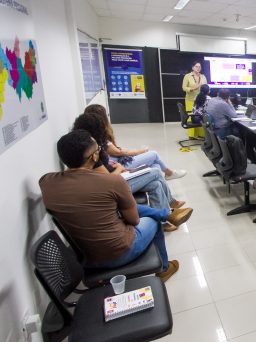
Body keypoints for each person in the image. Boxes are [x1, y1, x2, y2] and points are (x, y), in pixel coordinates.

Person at [39, 130, 180, 282]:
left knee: (114, 207)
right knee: (153, 221)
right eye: (98, 150)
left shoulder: (46, 182)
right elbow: (134, 221)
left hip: (84, 258)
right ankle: (164, 268)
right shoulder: (111, 182)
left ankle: (166, 213)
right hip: (118, 254)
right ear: (94, 156)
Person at [72, 113, 186, 219]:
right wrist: (120, 168)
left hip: (116, 178)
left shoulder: (89, 147)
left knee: (155, 184)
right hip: (114, 186)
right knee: (155, 171)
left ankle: (163, 220)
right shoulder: (92, 154)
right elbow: (108, 181)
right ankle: (169, 206)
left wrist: (120, 168)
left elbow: (106, 169)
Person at [84, 105, 186, 180]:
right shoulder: (100, 139)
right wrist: (141, 151)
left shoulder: (92, 136)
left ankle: (167, 192)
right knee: (153, 154)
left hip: (117, 164)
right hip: (119, 166)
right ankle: (169, 173)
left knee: (157, 166)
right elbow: (120, 153)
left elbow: (119, 151)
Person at [182, 61, 207, 139]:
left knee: (200, 116)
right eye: (196, 66)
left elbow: (206, 86)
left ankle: (201, 134)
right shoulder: (187, 76)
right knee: (191, 116)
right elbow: (184, 88)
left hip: (201, 100)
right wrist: (192, 89)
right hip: (190, 99)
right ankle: (191, 135)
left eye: (199, 67)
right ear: (192, 67)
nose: (198, 68)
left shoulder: (203, 76)